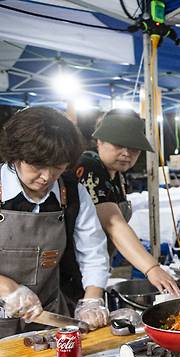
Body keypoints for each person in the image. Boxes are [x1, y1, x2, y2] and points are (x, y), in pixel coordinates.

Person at [0, 107, 111, 335]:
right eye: (37, 166)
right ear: (15, 156)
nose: (47, 177)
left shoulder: (72, 194)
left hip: (49, 314)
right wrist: (7, 288)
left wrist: (92, 300)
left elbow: (93, 252)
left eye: (58, 167)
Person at [75, 110, 180, 295]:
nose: (126, 153)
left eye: (133, 147)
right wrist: (151, 268)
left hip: (96, 268)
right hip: (78, 270)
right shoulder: (90, 167)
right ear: (99, 141)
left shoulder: (116, 174)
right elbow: (113, 223)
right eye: (118, 145)